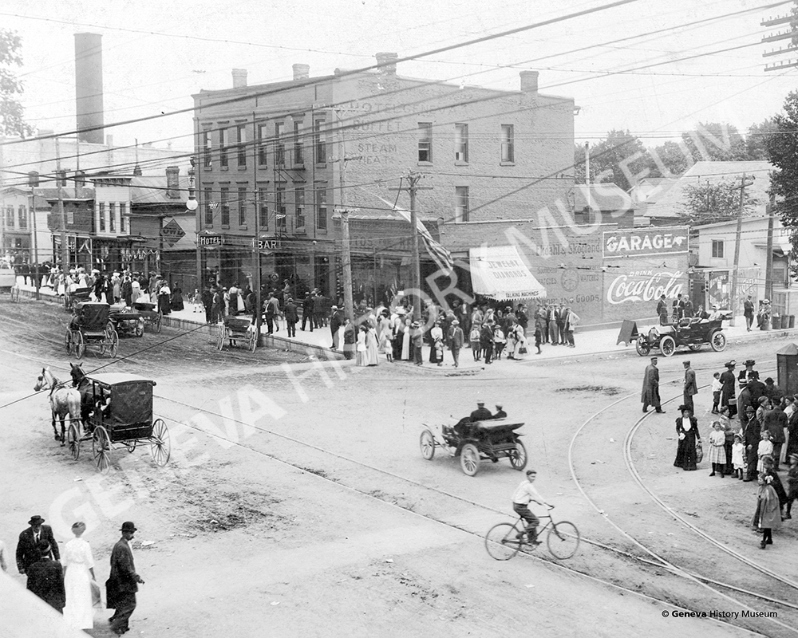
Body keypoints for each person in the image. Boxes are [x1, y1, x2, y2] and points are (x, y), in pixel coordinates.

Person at [107, 522, 145, 636]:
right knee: (130, 604)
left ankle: (122, 626)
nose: (133, 535)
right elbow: (126, 568)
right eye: (131, 533)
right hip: (124, 582)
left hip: (118, 581)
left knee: (123, 603)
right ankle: (116, 626)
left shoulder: (120, 545)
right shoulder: (122, 547)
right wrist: (137, 578)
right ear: (125, 533)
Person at [63, 521, 96, 630]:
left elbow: (64, 563)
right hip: (81, 571)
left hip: (71, 571)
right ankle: (82, 621)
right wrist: (93, 575)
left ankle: (71, 621)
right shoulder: (85, 545)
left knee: (71, 595)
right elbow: (89, 562)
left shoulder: (68, 544)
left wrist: (64, 575)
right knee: (82, 595)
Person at [512, 470, 553, 545]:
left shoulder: (524, 483)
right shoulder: (529, 486)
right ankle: (521, 533)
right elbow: (536, 495)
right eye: (532, 476)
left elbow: (521, 495)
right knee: (535, 521)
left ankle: (532, 540)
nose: (534, 478)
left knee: (532, 522)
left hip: (516, 505)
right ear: (527, 476)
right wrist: (546, 503)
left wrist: (533, 500)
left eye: (535, 477)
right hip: (520, 507)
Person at [26, 540, 65, 613]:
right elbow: (61, 585)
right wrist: (63, 602)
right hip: (55, 604)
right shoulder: (56, 565)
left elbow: (29, 588)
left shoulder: (33, 567)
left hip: (39, 605)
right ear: (50, 550)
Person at [754, 473, 781, 549]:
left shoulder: (769, 489)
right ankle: (769, 539)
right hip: (763, 508)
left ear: (764, 481)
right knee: (767, 525)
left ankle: (763, 541)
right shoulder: (761, 488)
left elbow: (772, 500)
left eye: (760, 479)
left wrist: (769, 508)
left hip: (768, 509)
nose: (758, 481)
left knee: (766, 524)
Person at [674, 405, 701, 471]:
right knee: (684, 450)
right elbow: (677, 428)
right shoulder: (680, 420)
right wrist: (680, 433)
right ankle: (684, 465)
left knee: (691, 450)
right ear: (682, 413)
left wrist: (698, 438)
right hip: (684, 437)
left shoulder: (692, 420)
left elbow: (696, 429)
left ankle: (692, 465)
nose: (687, 414)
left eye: (688, 412)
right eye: (685, 412)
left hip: (691, 436)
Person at [786, 453, 798, 519]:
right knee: (789, 500)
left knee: (790, 499)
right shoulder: (791, 467)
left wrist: (791, 479)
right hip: (792, 487)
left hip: (795, 487)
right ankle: (788, 513)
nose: (791, 460)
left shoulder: (796, 469)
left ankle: (788, 513)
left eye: (793, 459)